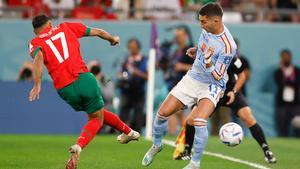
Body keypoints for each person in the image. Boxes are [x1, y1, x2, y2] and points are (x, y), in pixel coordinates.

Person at [28, 14, 140, 169]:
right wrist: (112, 39)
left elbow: (38, 58)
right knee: (96, 119)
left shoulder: (35, 42)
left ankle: (129, 132)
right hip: (83, 79)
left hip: (65, 89)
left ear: (35, 31)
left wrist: (37, 83)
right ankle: (79, 146)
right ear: (50, 23)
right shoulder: (65, 27)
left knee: (95, 113)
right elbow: (98, 32)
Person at [142, 3, 237, 169]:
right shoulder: (206, 30)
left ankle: (195, 163)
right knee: (162, 113)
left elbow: (218, 75)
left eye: (204, 22)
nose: (201, 25)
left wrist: (207, 62)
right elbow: (205, 48)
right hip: (192, 79)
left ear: (216, 21)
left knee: (199, 120)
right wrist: (196, 50)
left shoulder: (228, 46)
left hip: (212, 85)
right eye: (200, 21)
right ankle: (157, 145)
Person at [174, 57, 277, 163]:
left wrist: (234, 91)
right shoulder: (205, 57)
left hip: (230, 92)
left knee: (248, 117)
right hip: (212, 93)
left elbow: (242, 76)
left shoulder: (232, 58)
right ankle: (186, 151)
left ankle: (267, 151)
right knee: (191, 119)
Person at [117, 38, 148, 133]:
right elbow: (119, 72)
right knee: (123, 113)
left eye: (133, 47)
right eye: (130, 47)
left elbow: (148, 76)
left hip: (138, 91)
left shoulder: (144, 60)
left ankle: (136, 133)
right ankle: (122, 132)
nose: (131, 49)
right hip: (126, 91)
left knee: (138, 114)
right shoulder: (125, 60)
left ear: (138, 48)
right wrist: (121, 76)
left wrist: (136, 72)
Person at [274, 49, 300, 137]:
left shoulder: (297, 71)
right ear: (281, 58)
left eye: (287, 57)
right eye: (284, 57)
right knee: (282, 126)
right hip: (281, 104)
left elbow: (297, 83)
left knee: (297, 125)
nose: (286, 58)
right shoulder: (278, 72)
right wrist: (291, 81)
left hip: (295, 104)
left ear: (291, 57)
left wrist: (287, 82)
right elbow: (279, 83)